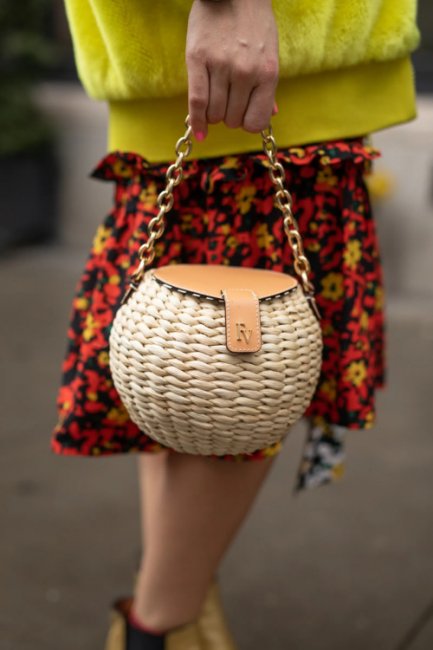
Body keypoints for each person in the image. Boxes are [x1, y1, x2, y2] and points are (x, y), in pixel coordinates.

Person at [52, 1, 419, 648]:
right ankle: (156, 625)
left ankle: (179, 598)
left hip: (191, 70)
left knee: (178, 366)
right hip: (254, 58)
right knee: (236, 386)